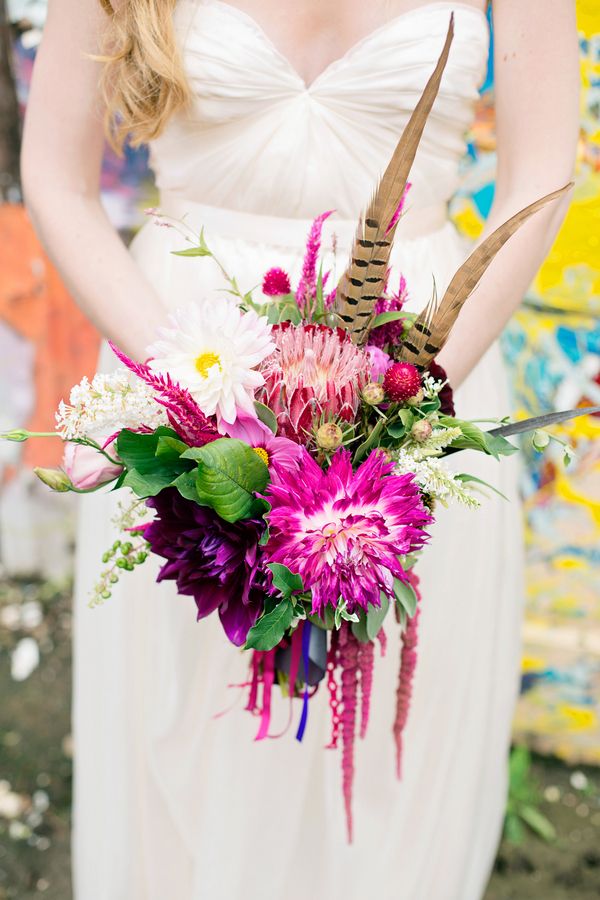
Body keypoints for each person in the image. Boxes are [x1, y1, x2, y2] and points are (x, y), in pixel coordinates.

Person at [21, 2, 579, 898]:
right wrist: (196, 407)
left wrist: (400, 411)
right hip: (179, 348)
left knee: (397, 736)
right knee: (189, 715)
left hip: (425, 365)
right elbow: (57, 178)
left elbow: (541, 174)